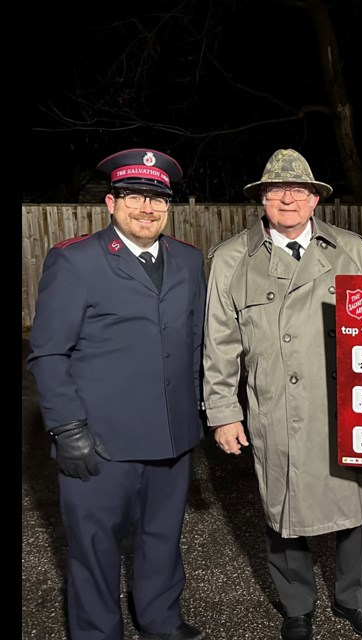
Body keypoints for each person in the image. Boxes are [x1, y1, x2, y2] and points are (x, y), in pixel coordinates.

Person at [201, 149, 362, 640]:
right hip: (277, 406)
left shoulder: (350, 249)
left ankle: (354, 599)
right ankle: (297, 605)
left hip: (345, 404)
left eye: (298, 189)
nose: (288, 197)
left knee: (356, 507)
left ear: (315, 198)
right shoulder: (230, 258)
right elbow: (220, 342)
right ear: (262, 197)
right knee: (282, 510)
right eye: (276, 189)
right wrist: (223, 412)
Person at [26, 149, 207, 640]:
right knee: (94, 548)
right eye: (134, 197)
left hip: (171, 436)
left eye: (158, 200)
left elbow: (193, 343)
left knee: (162, 539)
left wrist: (197, 413)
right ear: (111, 202)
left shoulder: (189, 261)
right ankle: (96, 633)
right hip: (100, 442)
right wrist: (67, 428)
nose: (146, 209)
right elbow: (47, 353)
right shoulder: (76, 260)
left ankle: (161, 620)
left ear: (169, 207)